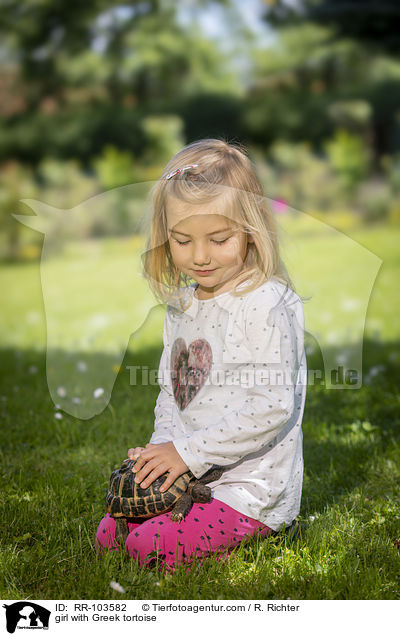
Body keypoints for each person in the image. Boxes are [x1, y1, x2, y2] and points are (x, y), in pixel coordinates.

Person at [95, 138, 307, 573]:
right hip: (193, 474)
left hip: (249, 491)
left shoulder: (266, 303)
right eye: (182, 240)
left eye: (218, 238)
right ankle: (186, 527)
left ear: (252, 229)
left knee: (144, 547)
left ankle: (257, 533)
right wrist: (161, 453)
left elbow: (272, 406)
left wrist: (185, 454)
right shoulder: (184, 306)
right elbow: (173, 394)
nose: (200, 256)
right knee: (110, 534)